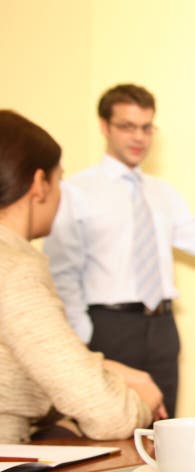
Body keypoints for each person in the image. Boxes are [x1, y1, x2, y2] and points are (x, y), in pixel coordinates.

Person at [43, 84, 195, 418]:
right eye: (127, 126)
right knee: (109, 434)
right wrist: (84, 342)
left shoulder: (163, 194)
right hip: (108, 329)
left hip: (162, 330)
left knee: (165, 436)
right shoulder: (75, 191)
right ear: (104, 127)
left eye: (146, 127)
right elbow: (63, 273)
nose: (139, 137)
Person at [0, 110, 166, 443]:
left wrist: (107, 368)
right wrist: (142, 404)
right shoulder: (14, 267)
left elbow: (33, 355)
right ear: (38, 184)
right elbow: (108, 415)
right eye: (59, 179)